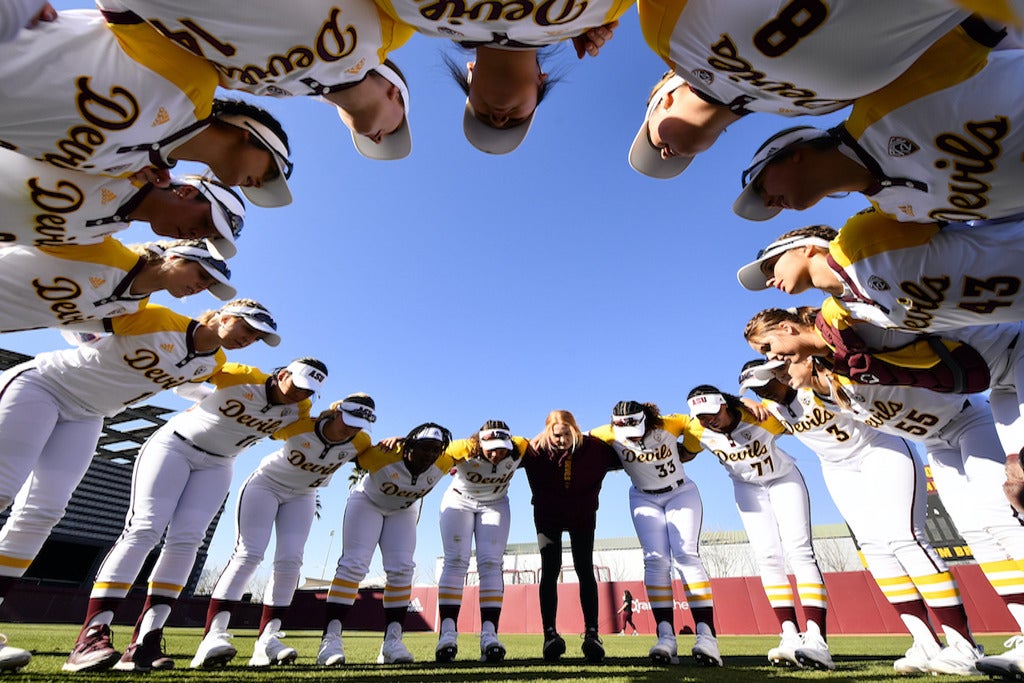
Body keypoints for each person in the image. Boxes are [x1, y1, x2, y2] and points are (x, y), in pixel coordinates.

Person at [0, 300, 275, 672]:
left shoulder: (213, 362)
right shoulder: (161, 319)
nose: (250, 337)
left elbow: (189, 388)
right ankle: (95, 630)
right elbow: (75, 322)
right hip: (46, 383)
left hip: (90, 414)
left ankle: (117, 643)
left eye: (257, 336)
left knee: (43, 512)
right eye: (247, 326)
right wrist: (91, 339)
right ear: (224, 313)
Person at [746, 308, 1024, 676]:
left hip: (968, 416)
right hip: (934, 440)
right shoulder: (811, 396)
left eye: (778, 366)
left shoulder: (849, 361)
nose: (778, 371)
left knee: (1000, 519)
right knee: (974, 532)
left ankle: (962, 641)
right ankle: (954, 641)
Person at [66, 353, 322, 673]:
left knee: (188, 541)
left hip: (219, 463)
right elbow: (183, 383)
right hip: (175, 445)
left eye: (308, 391)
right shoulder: (241, 374)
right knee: (145, 529)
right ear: (283, 373)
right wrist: (204, 397)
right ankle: (90, 636)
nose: (300, 393)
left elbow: (292, 433)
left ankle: (145, 641)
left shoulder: (299, 409)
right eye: (298, 384)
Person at [628, 2, 999, 178]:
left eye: (652, 136)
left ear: (665, 97)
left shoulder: (666, 29)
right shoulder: (812, 109)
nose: (665, 155)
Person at [0, 10, 293, 207]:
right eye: (271, 172)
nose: (259, 184)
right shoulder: (196, 79)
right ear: (249, 132)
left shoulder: (132, 170)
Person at [732, 44, 1024, 224]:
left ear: (793, 153)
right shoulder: (892, 212)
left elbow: (985, 28)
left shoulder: (880, 100)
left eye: (760, 186)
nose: (769, 203)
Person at [94, 0, 416, 159]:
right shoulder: (387, 26)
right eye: (396, 127)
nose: (378, 138)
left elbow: (165, 50)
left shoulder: (278, 91)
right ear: (394, 92)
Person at [191, 393, 376, 668]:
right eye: (349, 420)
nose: (352, 428)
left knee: (291, 561)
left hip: (303, 495)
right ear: (336, 412)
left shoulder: (361, 442)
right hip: (266, 485)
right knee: (249, 553)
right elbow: (265, 422)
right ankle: (212, 636)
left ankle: (267, 640)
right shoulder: (301, 425)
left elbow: (377, 457)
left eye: (360, 423)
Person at [684, 386, 831, 670]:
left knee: (800, 551)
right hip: (747, 489)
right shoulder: (695, 430)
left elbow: (793, 411)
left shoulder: (761, 415)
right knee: (767, 558)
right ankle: (789, 635)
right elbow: (677, 434)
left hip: (783, 479)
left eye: (712, 413)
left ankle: (817, 641)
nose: (708, 421)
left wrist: (752, 401)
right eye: (701, 416)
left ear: (725, 405)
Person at [374, 0, 628, 154]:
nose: (498, 119)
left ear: (470, 72)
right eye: (514, 121)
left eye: (483, 116)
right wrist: (576, 20)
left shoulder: (408, 12)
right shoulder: (599, 10)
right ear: (542, 80)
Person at [590, 402, 721, 667]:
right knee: (655, 560)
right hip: (643, 496)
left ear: (647, 420)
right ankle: (665, 636)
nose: (633, 437)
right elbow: (581, 441)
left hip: (680, 492)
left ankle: (707, 636)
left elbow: (690, 422)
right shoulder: (607, 433)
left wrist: (691, 449)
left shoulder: (667, 424)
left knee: (686, 556)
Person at [736, 216, 1024, 335]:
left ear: (805, 247)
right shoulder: (848, 309)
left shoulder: (858, 237)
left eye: (771, 268)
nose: (771, 281)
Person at [316, 423, 454, 666]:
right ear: (409, 446)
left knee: (402, 569)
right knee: (354, 564)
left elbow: (472, 449)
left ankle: (392, 642)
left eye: (437, 449)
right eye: (425, 448)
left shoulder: (443, 462)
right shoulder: (383, 455)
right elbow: (352, 452)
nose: (431, 455)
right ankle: (330, 640)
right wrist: (387, 441)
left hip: (403, 510)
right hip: (367, 502)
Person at [0, 152, 245, 255]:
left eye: (205, 237)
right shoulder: (123, 163)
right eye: (204, 222)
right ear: (188, 192)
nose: (195, 235)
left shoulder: (104, 233)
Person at [522, 410, 619, 663]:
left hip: (582, 517)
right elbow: (499, 454)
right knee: (550, 569)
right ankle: (550, 636)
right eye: (556, 435)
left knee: (584, 569)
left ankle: (592, 633)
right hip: (547, 518)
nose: (562, 439)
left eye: (566, 433)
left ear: (576, 429)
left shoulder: (595, 449)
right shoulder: (533, 451)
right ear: (546, 433)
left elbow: (629, 451)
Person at [435, 421, 530, 663]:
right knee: (455, 561)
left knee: (491, 564)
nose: (497, 454)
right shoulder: (462, 448)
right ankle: (447, 634)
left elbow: (543, 442)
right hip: (459, 500)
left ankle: (490, 634)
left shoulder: (519, 446)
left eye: (502, 448)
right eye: (491, 448)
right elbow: (429, 454)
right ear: (480, 442)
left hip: (495, 503)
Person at [0, 238, 235, 333]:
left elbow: (64, 326)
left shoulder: (135, 307)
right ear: (174, 257)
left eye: (209, 285)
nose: (201, 287)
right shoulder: (105, 249)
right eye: (202, 275)